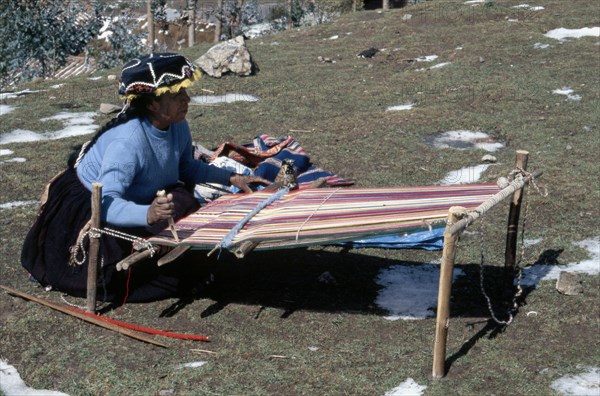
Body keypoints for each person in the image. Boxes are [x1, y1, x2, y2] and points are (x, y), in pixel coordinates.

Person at [21, 53, 269, 303]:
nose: (187, 99)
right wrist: (148, 215)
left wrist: (233, 179)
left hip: (143, 197)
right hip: (98, 207)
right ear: (152, 105)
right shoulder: (127, 143)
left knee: (185, 210)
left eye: (184, 91)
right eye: (176, 94)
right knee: (118, 276)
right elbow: (105, 203)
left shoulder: (177, 124)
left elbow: (185, 168)